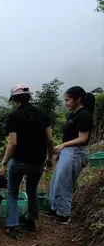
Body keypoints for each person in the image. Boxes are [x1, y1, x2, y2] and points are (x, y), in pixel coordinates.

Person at [0, 84, 54, 239]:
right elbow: (50, 139)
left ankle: (12, 226)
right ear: (29, 97)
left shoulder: (14, 116)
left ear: (15, 100)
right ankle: (31, 221)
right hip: (37, 162)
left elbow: (13, 143)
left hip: (19, 162)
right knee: (31, 191)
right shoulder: (43, 115)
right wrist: (50, 158)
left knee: (12, 192)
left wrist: (4, 163)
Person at [47, 86, 94, 224]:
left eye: (68, 100)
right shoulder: (73, 114)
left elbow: (83, 138)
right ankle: (55, 209)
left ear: (78, 99)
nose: (66, 103)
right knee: (56, 181)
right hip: (68, 152)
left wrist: (63, 145)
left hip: (75, 152)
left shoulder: (85, 115)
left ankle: (64, 215)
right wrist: (60, 152)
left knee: (64, 183)